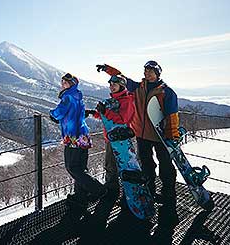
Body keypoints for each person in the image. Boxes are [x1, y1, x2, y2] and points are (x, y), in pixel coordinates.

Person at [96, 61, 180, 227]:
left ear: (158, 73)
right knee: (146, 166)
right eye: (146, 71)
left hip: (160, 136)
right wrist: (107, 69)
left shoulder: (166, 92)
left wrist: (173, 135)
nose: (148, 74)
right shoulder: (139, 87)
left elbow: (172, 115)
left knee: (166, 167)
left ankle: (169, 198)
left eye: (151, 71)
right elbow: (122, 79)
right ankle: (147, 193)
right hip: (142, 135)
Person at [50, 73, 107, 213]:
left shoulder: (68, 96)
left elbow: (59, 112)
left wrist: (52, 114)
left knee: (72, 167)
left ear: (72, 83)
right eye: (62, 81)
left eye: (66, 82)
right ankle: (81, 195)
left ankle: (98, 189)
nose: (63, 83)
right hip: (83, 134)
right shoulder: (78, 95)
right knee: (80, 167)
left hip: (73, 136)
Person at [85, 75, 135, 210]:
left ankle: (123, 195)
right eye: (111, 84)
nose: (112, 86)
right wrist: (94, 113)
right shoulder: (114, 99)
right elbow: (106, 117)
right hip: (111, 139)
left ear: (122, 86)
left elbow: (122, 119)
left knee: (123, 167)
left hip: (121, 141)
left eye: (115, 84)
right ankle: (112, 191)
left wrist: (105, 111)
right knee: (110, 166)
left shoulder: (127, 100)